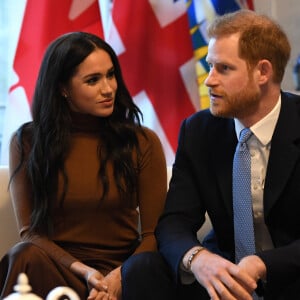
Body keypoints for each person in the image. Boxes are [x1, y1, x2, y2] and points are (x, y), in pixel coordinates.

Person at [121, 9, 300, 300]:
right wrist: (197, 258)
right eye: (210, 66)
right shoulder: (199, 130)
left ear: (263, 72)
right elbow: (174, 221)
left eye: (224, 69)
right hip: (221, 277)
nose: (209, 80)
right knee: (142, 269)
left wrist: (264, 264)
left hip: (291, 276)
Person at [0, 32, 167, 300]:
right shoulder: (28, 141)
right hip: (60, 268)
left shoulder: (142, 141)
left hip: (124, 269)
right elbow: (30, 232)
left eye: (110, 75)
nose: (108, 88)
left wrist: (117, 277)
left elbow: (154, 234)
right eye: (93, 80)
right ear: (62, 88)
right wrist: (84, 272)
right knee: (24, 256)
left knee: (147, 267)